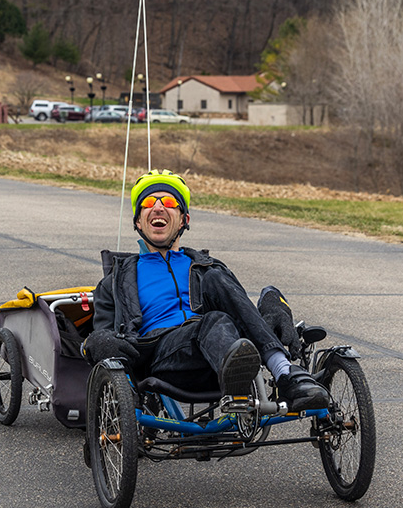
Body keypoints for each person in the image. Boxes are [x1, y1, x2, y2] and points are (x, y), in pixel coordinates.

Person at [83, 169, 328, 411]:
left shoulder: (208, 268)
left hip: (221, 347)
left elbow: (240, 308)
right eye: (148, 203)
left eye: (168, 202)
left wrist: (274, 307)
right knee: (213, 320)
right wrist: (98, 341)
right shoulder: (118, 280)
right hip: (163, 354)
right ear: (138, 221)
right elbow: (103, 332)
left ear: (184, 220)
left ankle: (283, 372)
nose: (158, 208)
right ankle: (255, 371)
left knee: (219, 285)